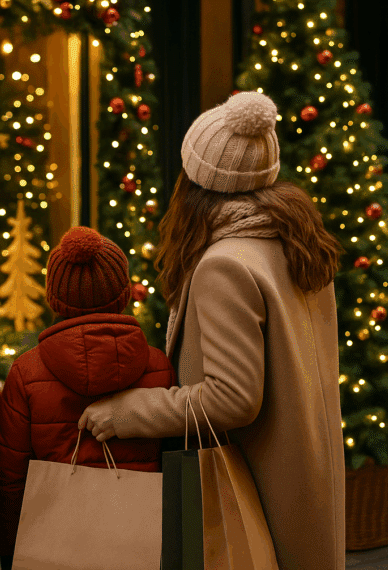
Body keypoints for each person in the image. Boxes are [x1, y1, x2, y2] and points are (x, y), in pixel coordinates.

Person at [78, 91, 345, 570]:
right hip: (306, 471)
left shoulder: (225, 265)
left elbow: (233, 398)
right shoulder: (295, 239)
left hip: (254, 489)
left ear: (197, 182)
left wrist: (127, 412)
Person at [0, 226, 176, 570]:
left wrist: (8, 549)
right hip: (142, 545)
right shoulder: (159, 367)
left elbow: (8, 475)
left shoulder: (26, 373)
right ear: (123, 293)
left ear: (54, 297)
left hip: (52, 546)